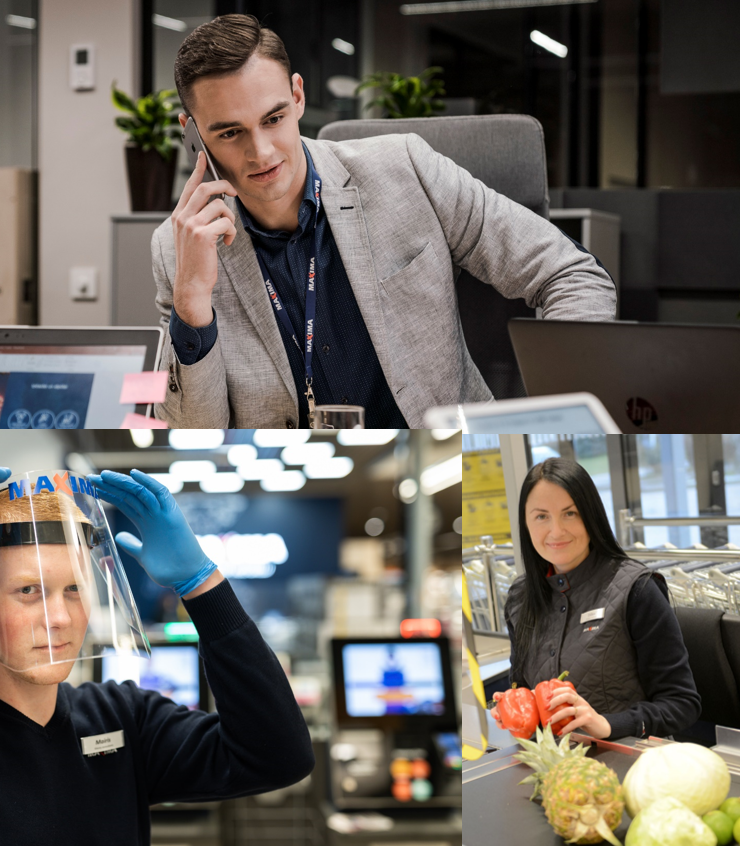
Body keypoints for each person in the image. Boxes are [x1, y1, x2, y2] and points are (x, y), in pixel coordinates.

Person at [152, 14, 617, 429]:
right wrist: (193, 305)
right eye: (230, 133)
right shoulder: (179, 250)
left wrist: (558, 421)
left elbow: (571, 273)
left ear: (297, 96)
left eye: (272, 118)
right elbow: (193, 433)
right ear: (193, 133)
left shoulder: (404, 171)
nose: (262, 152)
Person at [0, 464, 314, 845]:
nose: (60, 618)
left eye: (74, 589)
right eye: (28, 590)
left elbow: (277, 755)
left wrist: (203, 586)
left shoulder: (122, 719)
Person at [490, 457, 700, 741]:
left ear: (591, 515)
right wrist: (514, 706)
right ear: (526, 524)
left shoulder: (637, 590)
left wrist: (608, 724)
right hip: (556, 766)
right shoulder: (520, 597)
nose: (556, 531)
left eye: (570, 513)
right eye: (541, 516)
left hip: (632, 765)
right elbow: (525, 687)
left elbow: (682, 704)